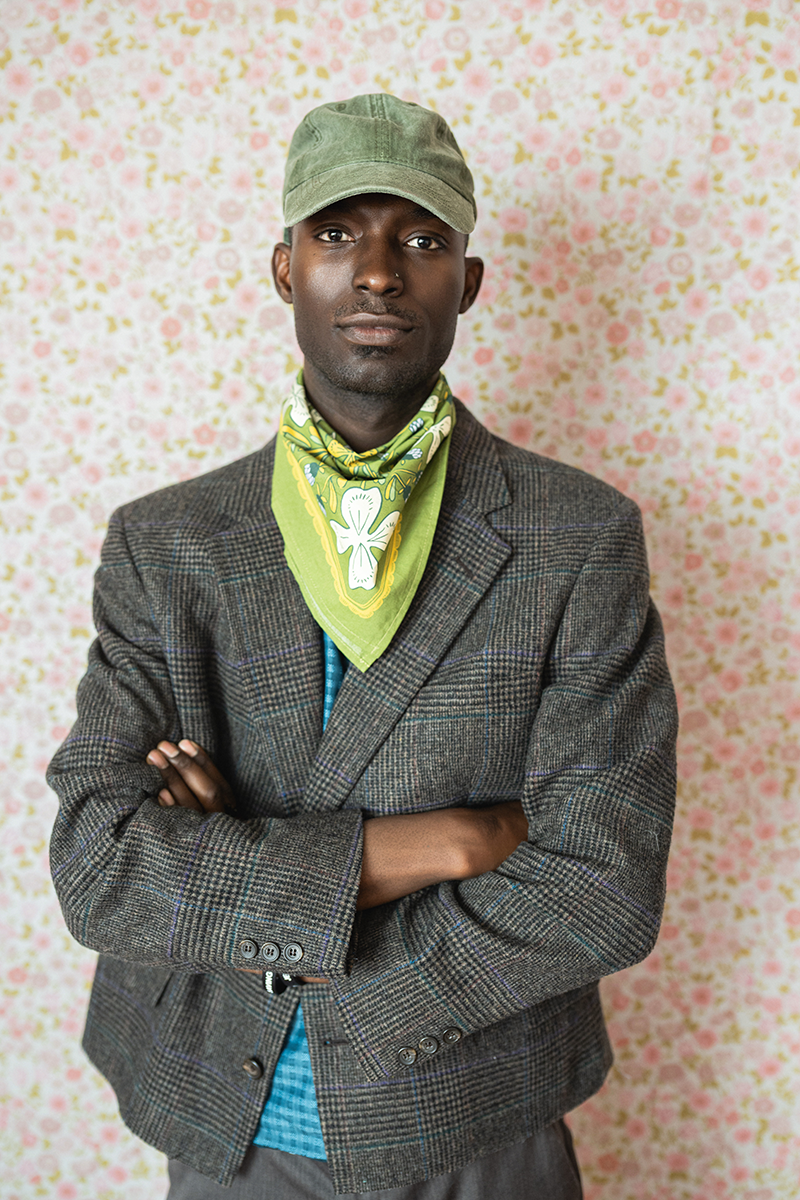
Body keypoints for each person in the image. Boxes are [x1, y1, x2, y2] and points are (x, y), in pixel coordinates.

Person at [48, 93, 678, 1199]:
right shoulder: (167, 543)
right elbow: (101, 869)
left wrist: (261, 903)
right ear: (285, 267)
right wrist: (453, 840)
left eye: (421, 240)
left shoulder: (575, 537)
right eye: (337, 233)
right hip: (227, 1119)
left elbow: (601, 888)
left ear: (467, 284)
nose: (378, 271)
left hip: (478, 1114)